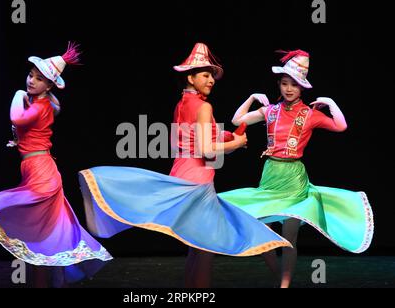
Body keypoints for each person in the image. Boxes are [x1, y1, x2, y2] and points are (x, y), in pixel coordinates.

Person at [78, 43, 291, 288]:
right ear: (190, 77)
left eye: (212, 75)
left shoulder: (182, 104)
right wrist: (237, 143)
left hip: (181, 172)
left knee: (197, 248)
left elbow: (191, 140)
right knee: (205, 250)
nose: (211, 80)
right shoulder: (203, 106)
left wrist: (227, 138)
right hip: (197, 180)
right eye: (205, 75)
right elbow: (206, 150)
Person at [0, 42, 112, 287]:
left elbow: (16, 117)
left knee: (32, 229)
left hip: (42, 173)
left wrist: (17, 95)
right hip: (36, 169)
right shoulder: (40, 103)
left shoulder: (41, 106)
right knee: (37, 238)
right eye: (30, 75)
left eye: (39, 79)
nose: (31, 81)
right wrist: (19, 141)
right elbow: (30, 131)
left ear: (49, 86)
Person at [218, 49, 374, 288]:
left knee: (289, 236)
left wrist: (330, 103)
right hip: (270, 175)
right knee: (261, 233)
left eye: (294, 84)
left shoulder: (310, 115)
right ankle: (279, 277)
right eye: (284, 83)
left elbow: (340, 126)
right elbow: (237, 121)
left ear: (302, 88)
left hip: (294, 178)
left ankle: (284, 284)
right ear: (278, 84)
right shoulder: (270, 111)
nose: (288, 89)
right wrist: (251, 98)